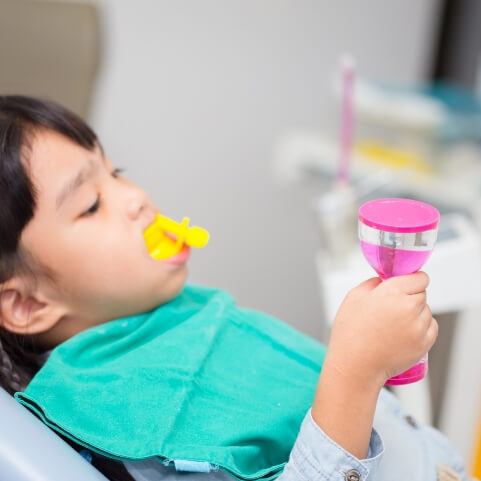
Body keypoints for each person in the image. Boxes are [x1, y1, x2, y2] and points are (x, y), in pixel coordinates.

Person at [0, 95, 472, 481]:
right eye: (91, 204)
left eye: (116, 171)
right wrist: (356, 371)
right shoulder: (127, 421)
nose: (136, 197)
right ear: (26, 303)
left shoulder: (171, 317)